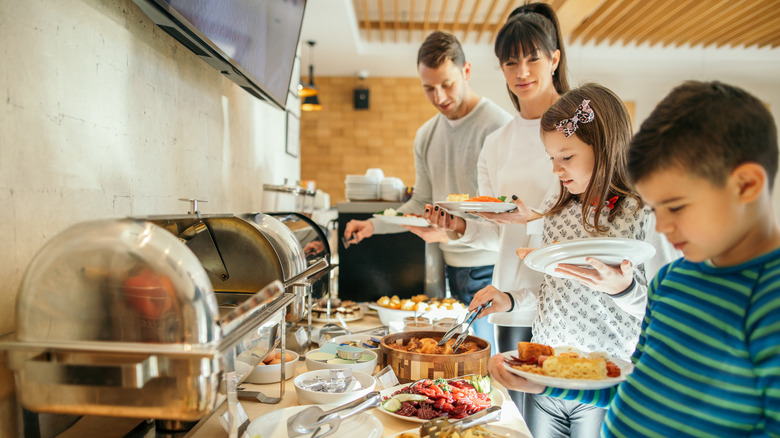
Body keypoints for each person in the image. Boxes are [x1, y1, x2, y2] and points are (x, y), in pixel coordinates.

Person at [488, 80, 780, 437]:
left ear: (746, 185)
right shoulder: (672, 282)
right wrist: (546, 385)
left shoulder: (767, 300)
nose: (663, 226)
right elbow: (636, 384)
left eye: (674, 206)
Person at [481, 83, 678, 438]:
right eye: (551, 158)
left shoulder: (644, 213)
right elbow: (556, 289)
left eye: (567, 157)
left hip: (603, 380)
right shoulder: (558, 210)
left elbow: (670, 312)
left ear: (604, 148)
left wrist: (625, 290)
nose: (556, 170)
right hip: (544, 373)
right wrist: (510, 300)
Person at [422, 2, 568, 414]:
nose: (521, 72)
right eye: (510, 63)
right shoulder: (498, 142)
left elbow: (591, 222)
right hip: (509, 300)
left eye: (532, 59)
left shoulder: (578, 127)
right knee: (517, 419)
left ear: (554, 59)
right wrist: (457, 226)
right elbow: (496, 234)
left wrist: (534, 220)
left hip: (565, 300)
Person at [343, 31, 512, 345]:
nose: (439, 97)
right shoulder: (426, 135)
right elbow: (420, 201)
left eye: (447, 84)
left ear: (467, 71)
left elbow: (506, 213)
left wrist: (450, 231)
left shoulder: (500, 127)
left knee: (489, 363)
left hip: (493, 268)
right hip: (452, 266)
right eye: (429, 88)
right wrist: (373, 224)